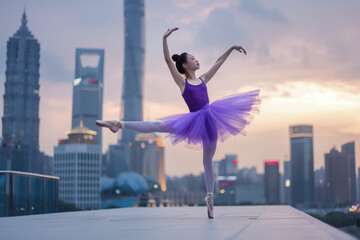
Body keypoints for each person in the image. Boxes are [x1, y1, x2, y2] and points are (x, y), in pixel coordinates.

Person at [96, 27, 261, 219]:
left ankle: (209, 197)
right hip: (192, 121)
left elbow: (218, 62)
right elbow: (168, 61)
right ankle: (118, 124)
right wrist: (164, 38)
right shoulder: (183, 84)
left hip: (211, 119)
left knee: (208, 161)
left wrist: (231, 48)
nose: (197, 60)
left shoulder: (203, 79)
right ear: (184, 65)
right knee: (157, 126)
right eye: (193, 58)